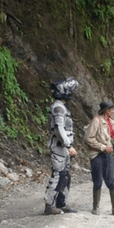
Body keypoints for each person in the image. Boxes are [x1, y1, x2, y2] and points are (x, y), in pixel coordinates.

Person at [44, 77, 79, 215]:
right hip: (59, 147)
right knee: (58, 175)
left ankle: (61, 203)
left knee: (65, 175)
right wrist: (68, 145)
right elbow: (59, 128)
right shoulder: (59, 107)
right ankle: (49, 205)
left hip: (63, 147)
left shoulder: (61, 107)